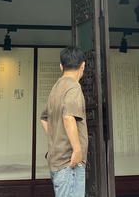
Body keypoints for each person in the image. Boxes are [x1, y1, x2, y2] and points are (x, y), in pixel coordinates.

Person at [40, 46, 88, 197]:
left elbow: (44, 118)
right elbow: (68, 117)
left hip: (57, 160)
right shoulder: (74, 87)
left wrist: (56, 138)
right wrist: (77, 150)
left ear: (61, 66)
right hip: (69, 163)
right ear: (83, 66)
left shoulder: (56, 87)